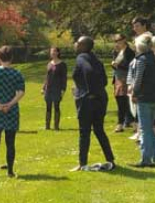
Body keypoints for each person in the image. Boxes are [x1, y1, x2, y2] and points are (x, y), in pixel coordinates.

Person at [70, 37, 116, 172]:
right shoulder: (96, 59)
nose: (75, 44)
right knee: (99, 130)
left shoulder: (81, 58)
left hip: (88, 101)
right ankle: (110, 160)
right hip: (101, 99)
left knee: (84, 132)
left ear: (83, 46)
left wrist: (87, 92)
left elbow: (88, 72)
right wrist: (95, 90)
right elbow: (104, 81)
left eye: (77, 43)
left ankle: (82, 163)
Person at [0, 46, 25, 177]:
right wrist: (10, 104)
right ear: (11, 58)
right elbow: (20, 92)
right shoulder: (17, 74)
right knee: (10, 142)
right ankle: (10, 171)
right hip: (12, 110)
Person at [129, 35, 155, 168]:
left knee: (144, 129)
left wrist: (134, 93)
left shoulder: (141, 60)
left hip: (144, 97)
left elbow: (138, 80)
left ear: (140, 46)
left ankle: (146, 159)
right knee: (149, 128)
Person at [111, 34, 135, 132]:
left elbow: (130, 66)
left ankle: (129, 122)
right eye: (116, 41)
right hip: (118, 79)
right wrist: (114, 64)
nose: (117, 42)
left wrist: (117, 65)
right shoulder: (116, 51)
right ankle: (123, 123)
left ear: (124, 40)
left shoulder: (129, 52)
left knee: (126, 102)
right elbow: (114, 65)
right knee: (119, 101)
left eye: (119, 40)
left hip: (126, 79)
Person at [42, 47, 67, 130]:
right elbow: (47, 77)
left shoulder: (62, 64)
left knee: (56, 106)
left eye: (53, 51)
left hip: (57, 88)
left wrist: (63, 89)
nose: (52, 53)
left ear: (57, 53)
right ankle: (47, 126)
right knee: (48, 107)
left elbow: (64, 78)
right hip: (48, 89)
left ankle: (56, 126)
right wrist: (43, 88)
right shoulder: (49, 64)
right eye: (51, 52)